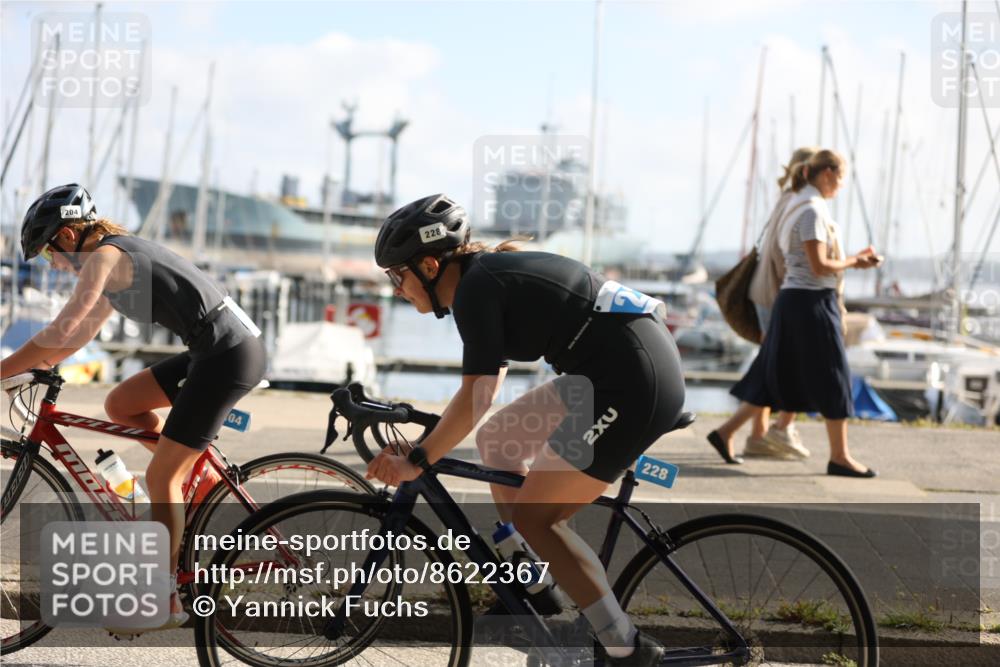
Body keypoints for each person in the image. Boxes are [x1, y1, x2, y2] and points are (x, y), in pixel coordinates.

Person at [364, 194, 686, 665]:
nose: (395, 288)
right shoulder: (484, 278)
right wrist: (429, 442)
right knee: (501, 439)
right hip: (615, 368)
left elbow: (478, 396)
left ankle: (625, 649)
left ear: (430, 265)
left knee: (538, 516)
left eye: (398, 275)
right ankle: (534, 580)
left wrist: (418, 458)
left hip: (628, 381)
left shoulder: (476, 289)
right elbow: (486, 389)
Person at [1, 184, 268, 627]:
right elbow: (78, 335)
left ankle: (165, 603)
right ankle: (198, 479)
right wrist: (30, 369)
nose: (56, 266)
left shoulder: (105, 257)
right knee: (122, 404)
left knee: (161, 475)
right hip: (215, 350)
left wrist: (5, 368)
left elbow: (61, 327)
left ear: (67, 236)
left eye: (49, 255)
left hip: (229, 355)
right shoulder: (111, 263)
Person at [726, 151, 881, 477]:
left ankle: (725, 432)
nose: (841, 185)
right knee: (835, 376)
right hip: (810, 301)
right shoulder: (811, 211)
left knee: (779, 375)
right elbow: (819, 265)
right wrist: (856, 261)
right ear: (826, 173)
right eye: (840, 178)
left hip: (798, 300)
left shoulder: (799, 204)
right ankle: (839, 457)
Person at [706, 147, 817, 463]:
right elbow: (787, 254)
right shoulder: (798, 202)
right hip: (778, 293)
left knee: (775, 366)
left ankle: (758, 434)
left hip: (768, 291)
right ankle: (763, 431)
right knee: (783, 368)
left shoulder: (787, 198)